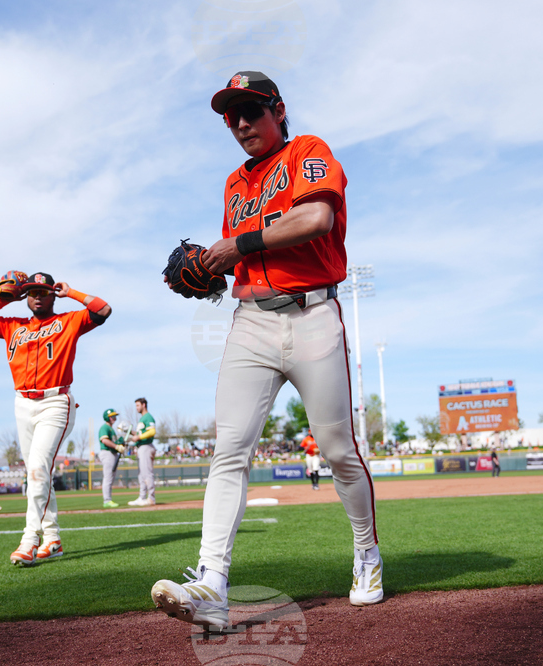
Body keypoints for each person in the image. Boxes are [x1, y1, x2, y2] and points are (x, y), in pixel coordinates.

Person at [151, 71, 381, 631]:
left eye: (251, 111)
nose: (240, 124)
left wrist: (237, 243)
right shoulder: (234, 182)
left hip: (314, 316)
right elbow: (237, 259)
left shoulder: (307, 150)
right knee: (229, 449)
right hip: (250, 320)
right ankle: (211, 585)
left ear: (277, 109)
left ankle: (367, 553)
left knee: (338, 450)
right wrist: (207, 275)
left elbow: (315, 218)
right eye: (231, 116)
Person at [0, 271, 111, 566]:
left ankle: (30, 539)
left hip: (56, 402)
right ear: (25, 296)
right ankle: (53, 538)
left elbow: (103, 309)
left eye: (43, 292)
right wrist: (1, 300)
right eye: (32, 292)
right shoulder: (12, 326)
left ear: (52, 294)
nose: (37, 297)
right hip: (22, 403)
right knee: (37, 473)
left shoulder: (69, 321)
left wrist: (71, 292)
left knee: (36, 470)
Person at [128, 397, 157, 507]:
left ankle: (151, 498)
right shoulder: (142, 419)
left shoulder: (148, 417)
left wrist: (139, 437)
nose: (136, 408)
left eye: (138, 405)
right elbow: (141, 434)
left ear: (144, 405)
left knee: (147, 473)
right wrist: (130, 432)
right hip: (141, 447)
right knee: (141, 475)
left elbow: (152, 431)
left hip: (146, 447)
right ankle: (142, 497)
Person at [98, 408, 127, 508]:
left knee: (110, 478)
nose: (114, 418)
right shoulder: (105, 428)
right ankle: (107, 500)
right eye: (112, 416)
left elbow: (113, 441)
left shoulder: (111, 429)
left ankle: (108, 499)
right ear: (108, 417)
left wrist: (119, 445)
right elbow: (104, 440)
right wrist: (116, 446)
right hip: (107, 453)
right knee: (108, 477)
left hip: (112, 453)